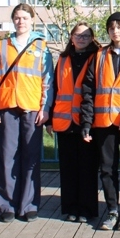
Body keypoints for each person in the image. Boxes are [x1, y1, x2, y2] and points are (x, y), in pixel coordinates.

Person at [0, 3, 54, 223]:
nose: (20, 21)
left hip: (32, 108)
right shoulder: (2, 45)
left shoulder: (42, 47)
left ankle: (29, 205)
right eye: (17, 17)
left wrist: (45, 108)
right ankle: (7, 206)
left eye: (24, 17)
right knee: (6, 158)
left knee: (31, 157)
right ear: (13, 20)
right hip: (7, 107)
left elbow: (48, 81)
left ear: (32, 20)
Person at [81, 12, 120, 231]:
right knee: (107, 168)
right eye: (111, 27)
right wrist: (87, 122)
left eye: (119, 26)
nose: (115, 31)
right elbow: (88, 90)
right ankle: (112, 209)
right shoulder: (99, 55)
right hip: (104, 122)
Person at [47, 21, 100, 223]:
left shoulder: (97, 57)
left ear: (92, 38)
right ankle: (70, 208)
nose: (81, 39)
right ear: (71, 37)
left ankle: (87, 209)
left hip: (88, 121)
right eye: (78, 35)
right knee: (68, 169)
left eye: (86, 35)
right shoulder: (62, 59)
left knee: (87, 168)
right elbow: (55, 89)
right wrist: (49, 119)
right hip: (64, 121)